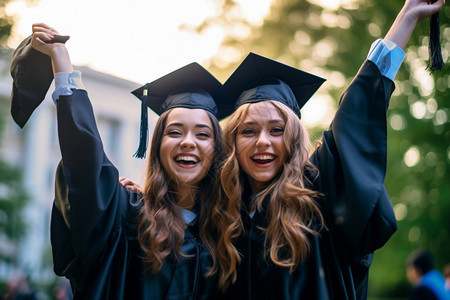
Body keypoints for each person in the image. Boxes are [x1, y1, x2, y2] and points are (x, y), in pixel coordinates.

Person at [216, 0, 446, 299]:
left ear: (294, 138)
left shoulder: (318, 190)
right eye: (248, 130)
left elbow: (356, 112)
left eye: (277, 129)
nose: (263, 141)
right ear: (232, 141)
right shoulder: (221, 209)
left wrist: (407, 16)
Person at [11, 23, 238, 299]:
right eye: (174, 132)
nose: (187, 141)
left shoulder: (231, 230)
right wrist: (62, 63)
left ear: (218, 150)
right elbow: (86, 168)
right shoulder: (129, 215)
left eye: (202, 134)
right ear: (157, 147)